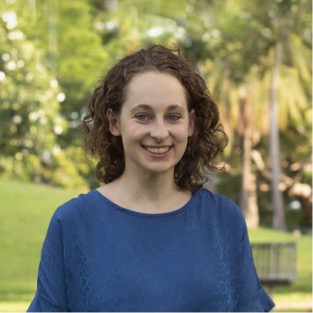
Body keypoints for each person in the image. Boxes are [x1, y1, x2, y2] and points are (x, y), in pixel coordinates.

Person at [28, 44, 275, 312]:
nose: (159, 132)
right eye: (143, 116)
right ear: (114, 122)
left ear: (190, 124)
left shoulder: (223, 220)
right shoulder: (73, 223)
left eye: (173, 116)